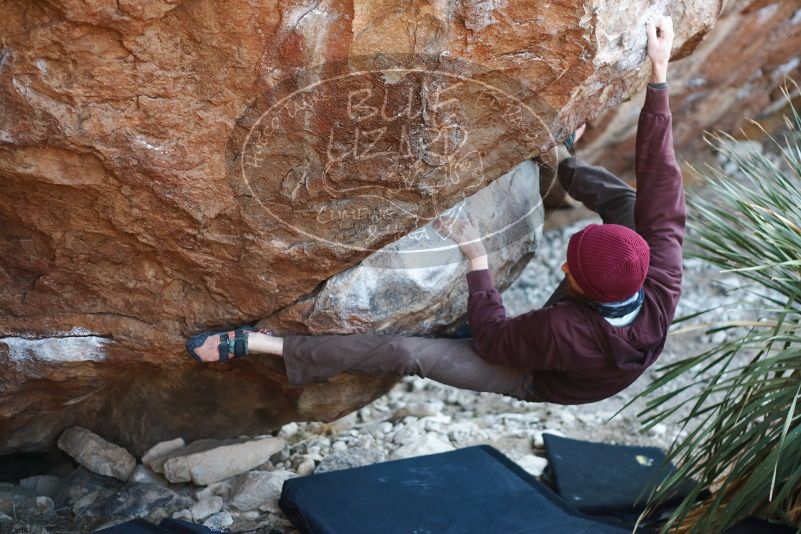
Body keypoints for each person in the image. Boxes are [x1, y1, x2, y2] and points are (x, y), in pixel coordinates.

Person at [185, 15, 684, 405]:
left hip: (538, 376)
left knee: (410, 354)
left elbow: (491, 340)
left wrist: (476, 259)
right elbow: (664, 176)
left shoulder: (561, 332)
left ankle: (262, 345)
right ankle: (559, 157)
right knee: (633, 204)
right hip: (599, 324)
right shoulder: (661, 267)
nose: (562, 263)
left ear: (571, 280)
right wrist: (658, 75)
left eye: (569, 265)